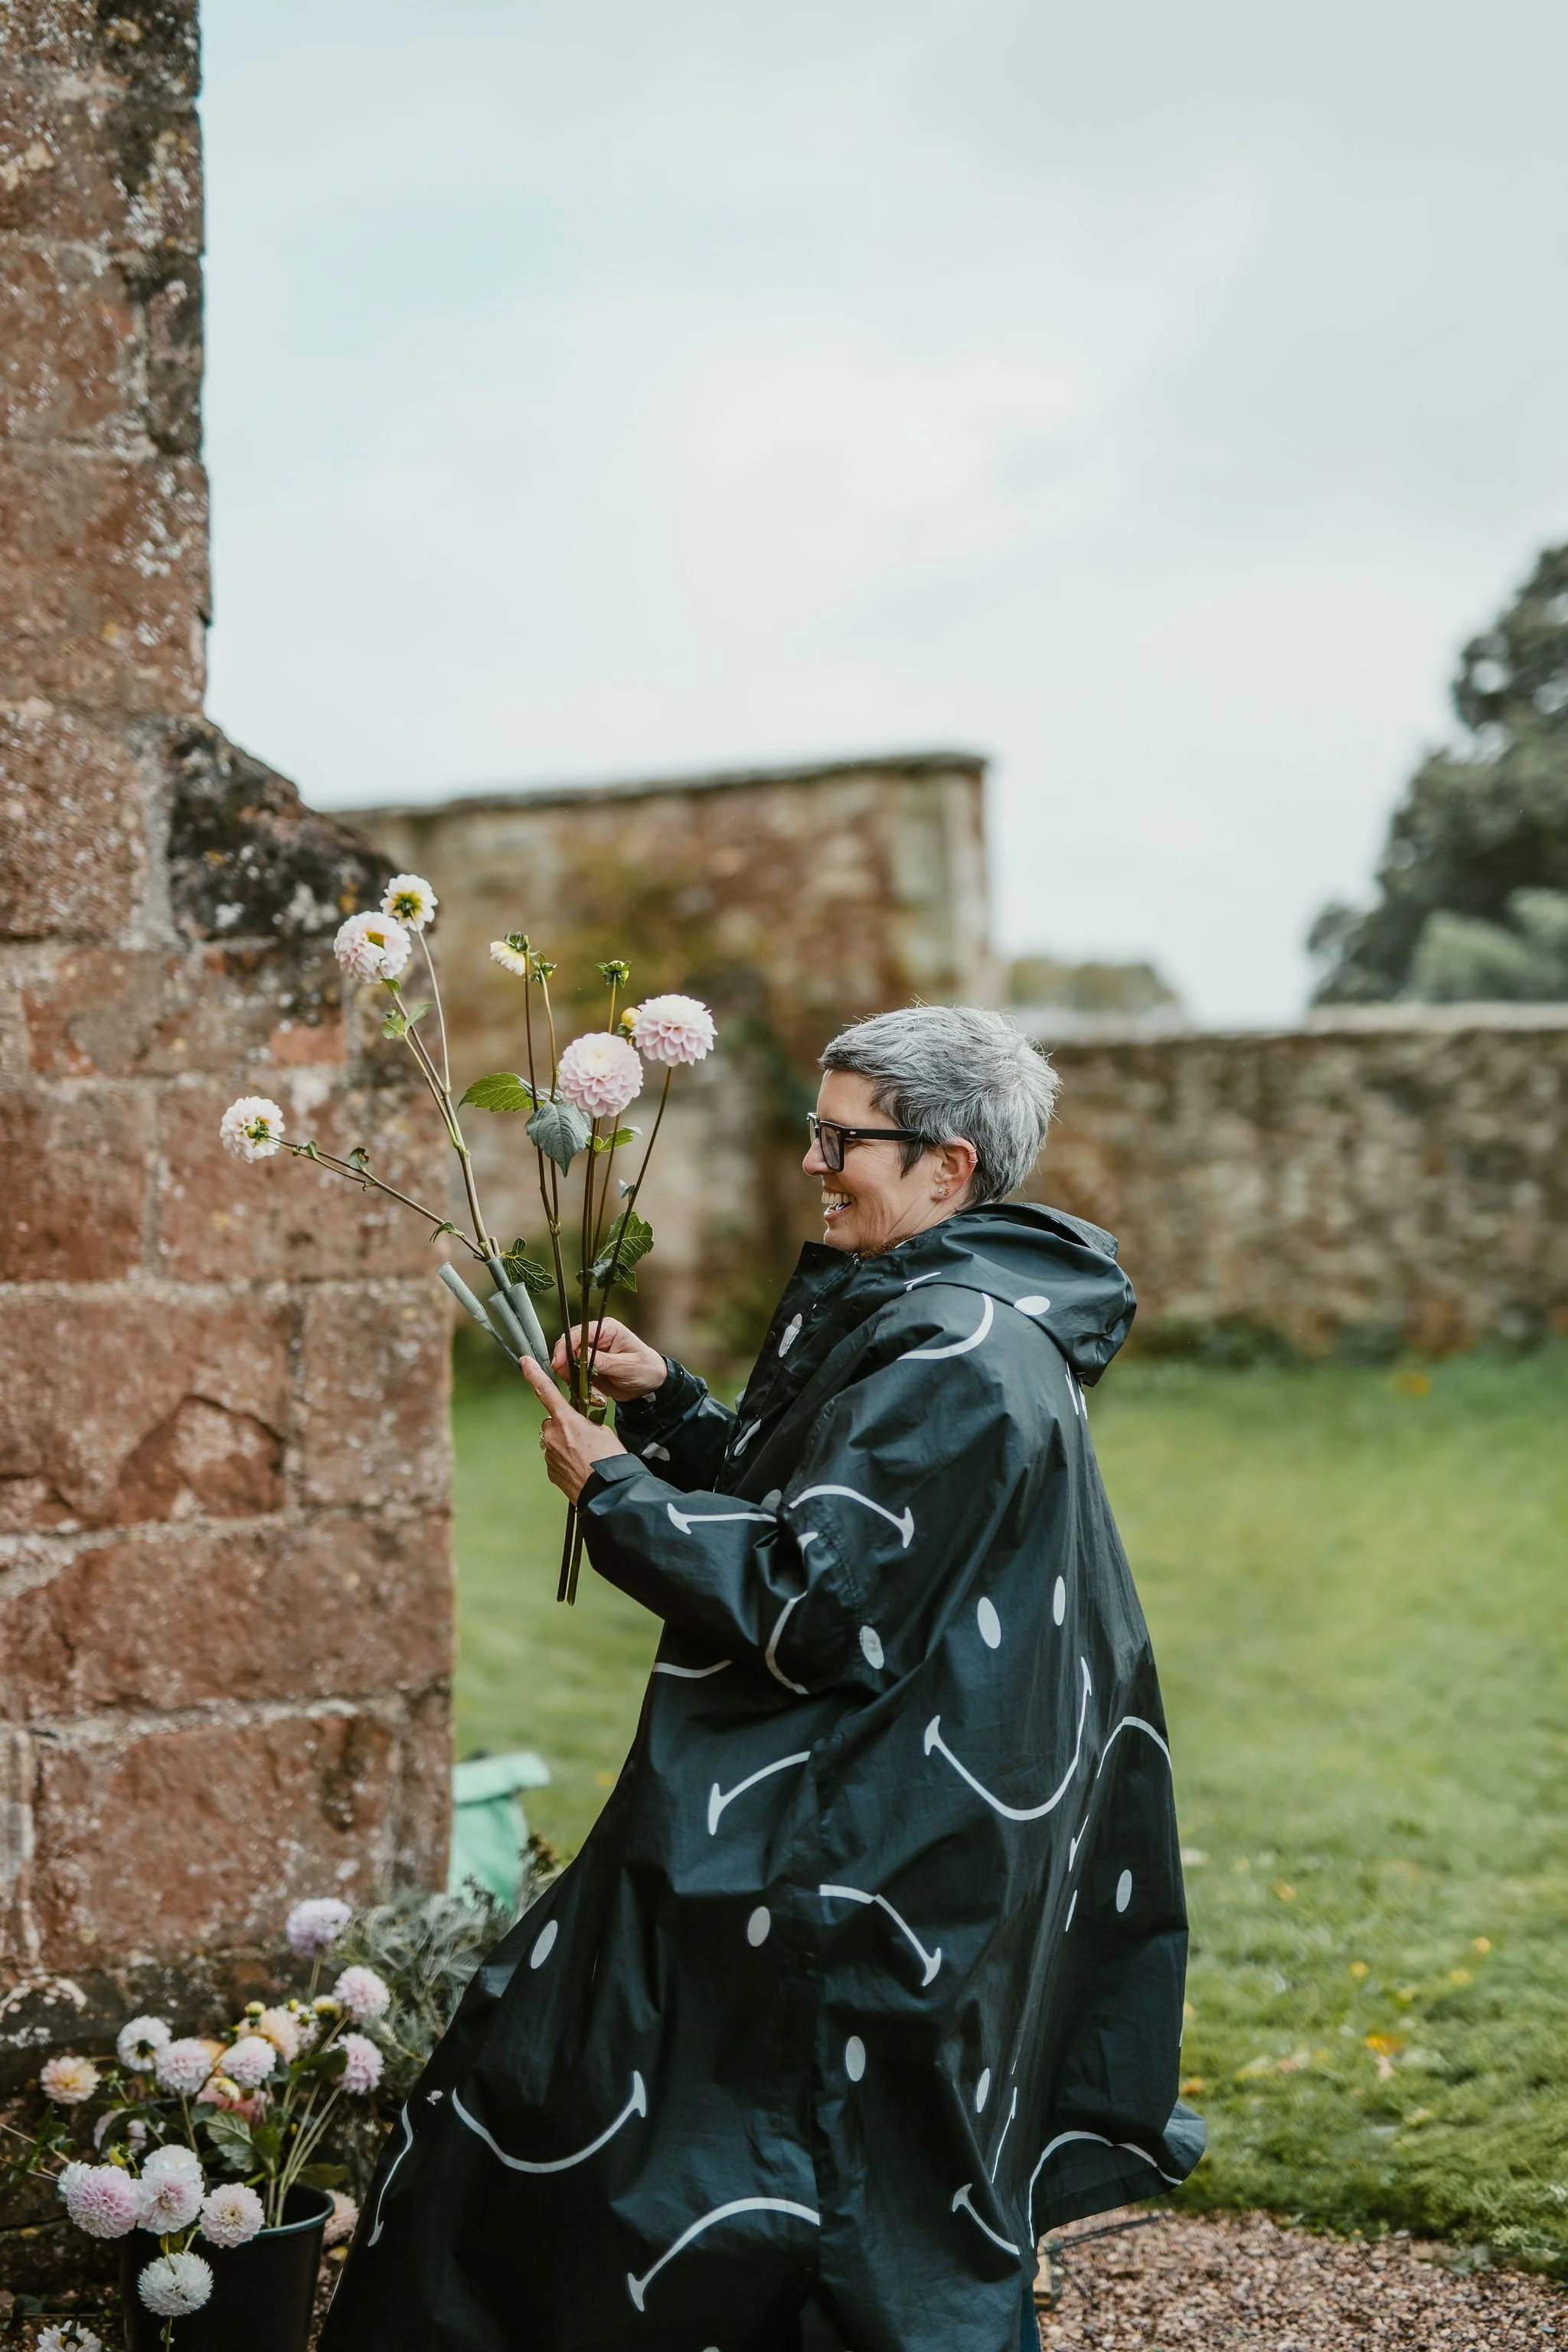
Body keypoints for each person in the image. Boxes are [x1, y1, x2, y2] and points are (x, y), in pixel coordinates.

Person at [324, 1004, 1202, 2352]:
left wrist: (612, 1492)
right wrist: (671, 1404)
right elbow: (847, 1525)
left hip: (862, 1853)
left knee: (729, 2159)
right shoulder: (953, 1318)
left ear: (945, 1168)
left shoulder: (959, 1353)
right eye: (816, 1128)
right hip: (896, 1822)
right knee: (809, 2179)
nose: (811, 1162)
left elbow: (804, 1600)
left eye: (841, 1137)